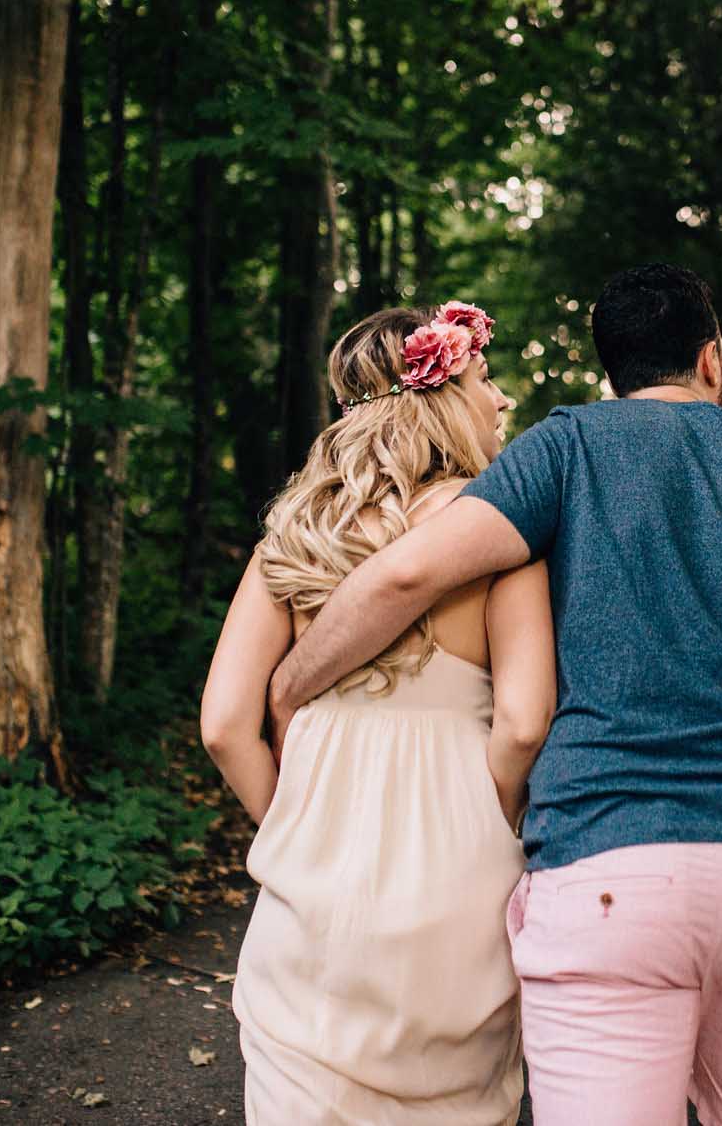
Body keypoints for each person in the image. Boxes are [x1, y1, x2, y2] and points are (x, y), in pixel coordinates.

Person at [267, 263, 722, 1126]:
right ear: (713, 360)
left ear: (613, 374)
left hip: (606, 869)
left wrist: (292, 682)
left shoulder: (566, 448)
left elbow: (406, 572)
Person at [199, 302, 555, 1126]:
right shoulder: (499, 534)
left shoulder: (294, 535)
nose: (500, 400)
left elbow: (223, 722)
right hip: (458, 879)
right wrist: (486, 814)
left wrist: (288, 819)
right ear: (439, 395)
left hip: (315, 876)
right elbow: (527, 719)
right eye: (483, 379)